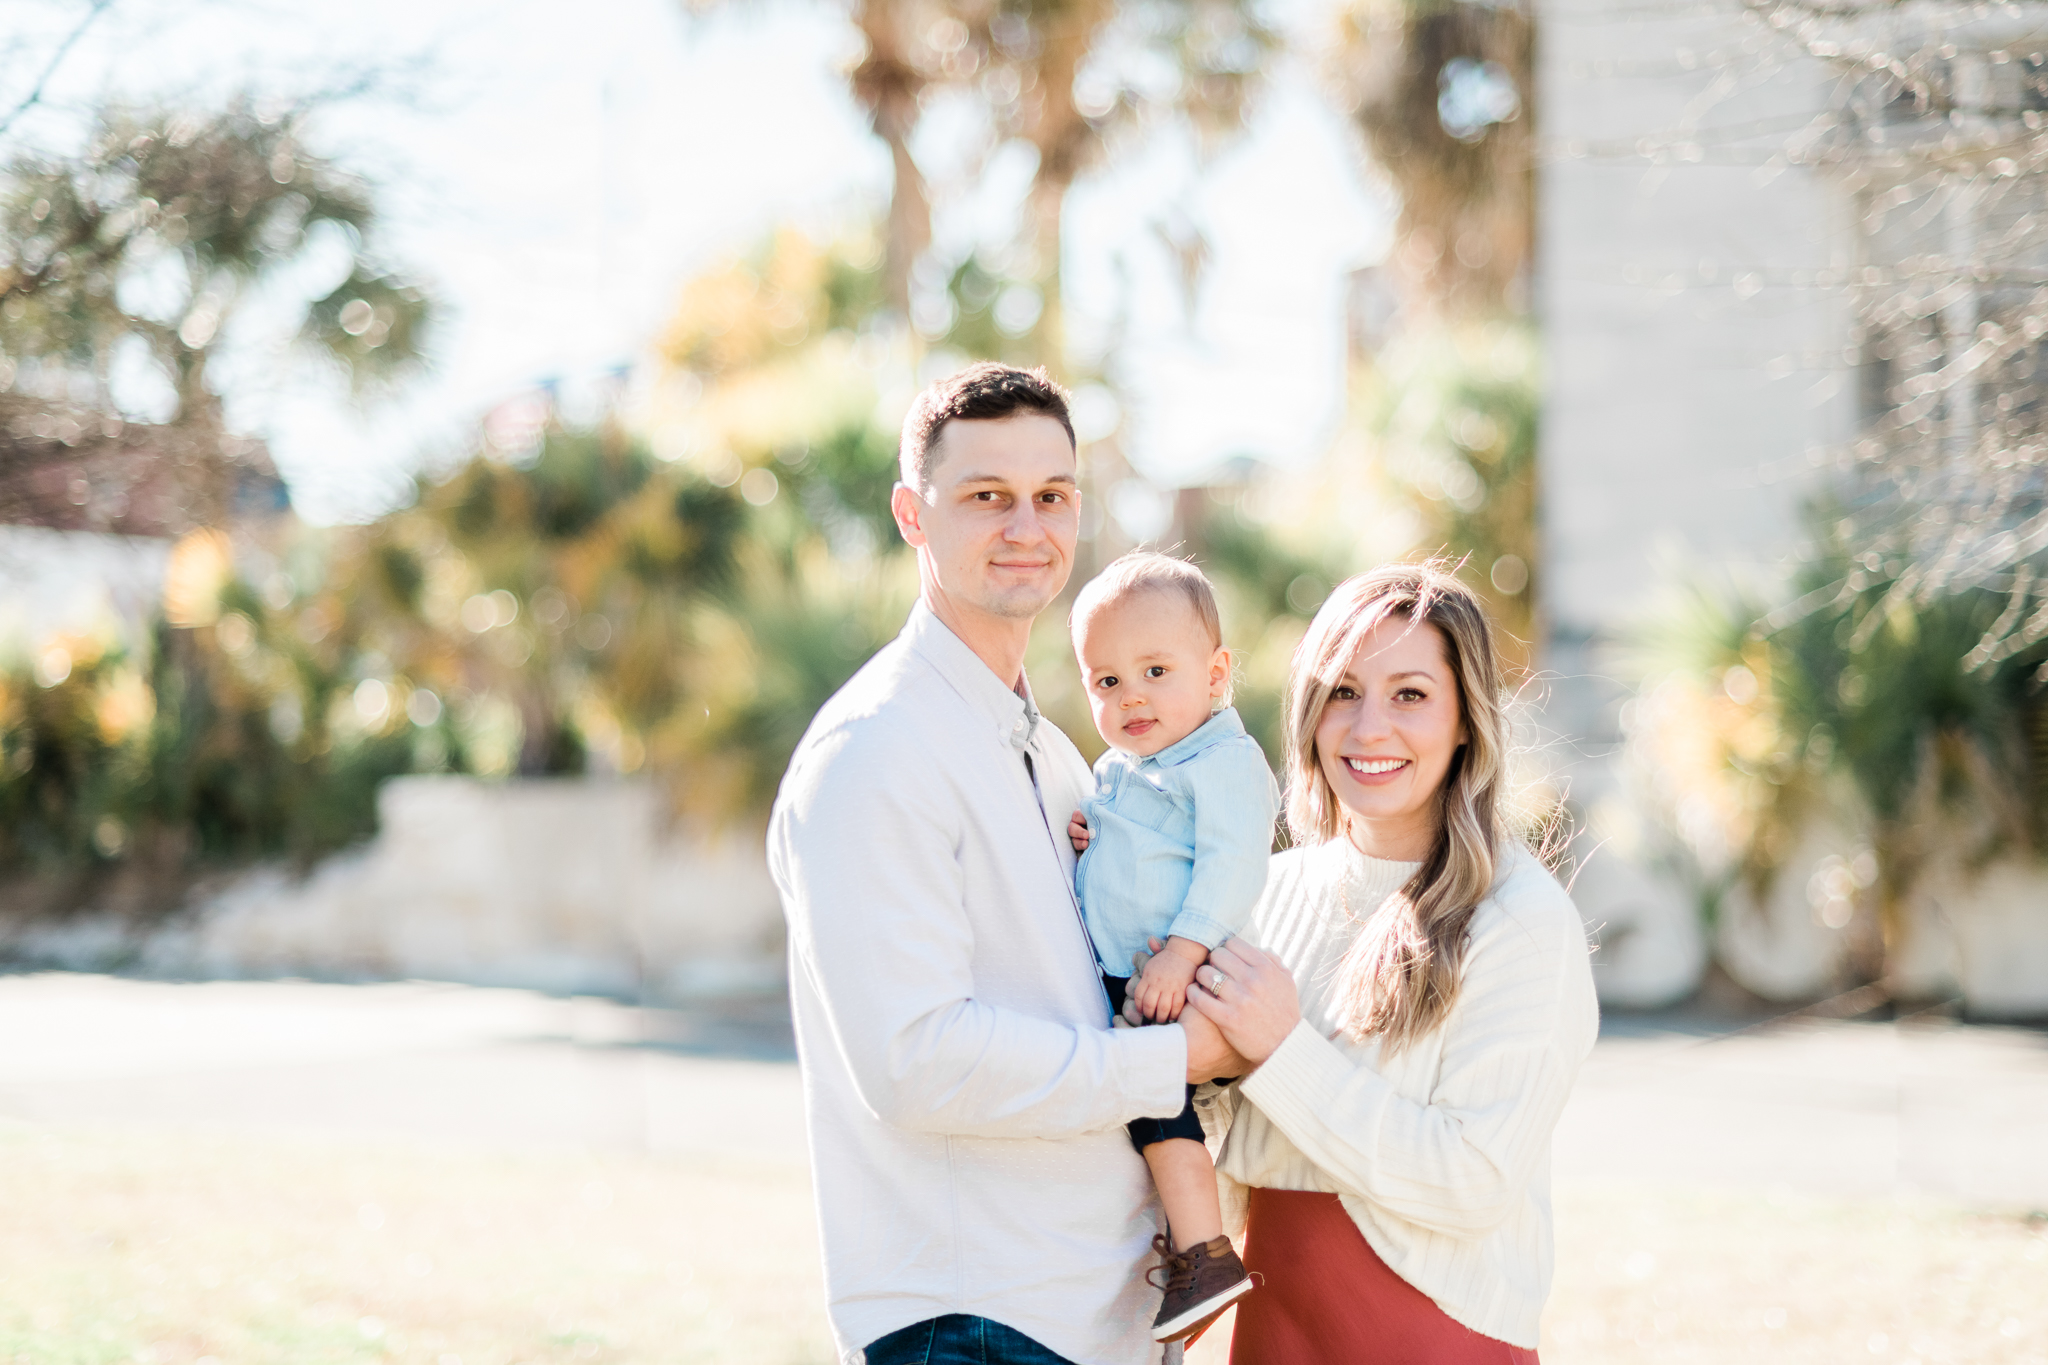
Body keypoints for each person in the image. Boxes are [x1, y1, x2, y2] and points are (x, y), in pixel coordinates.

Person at [767, 363, 1237, 1365]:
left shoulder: (1060, 755)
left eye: (1051, 496)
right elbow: (914, 1061)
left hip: (1085, 1317)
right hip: (974, 1323)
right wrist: (1176, 1059)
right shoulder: (875, 750)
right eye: (986, 497)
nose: (1025, 525)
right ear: (911, 514)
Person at [1180, 562, 1599, 1364]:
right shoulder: (1261, 893)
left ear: (1466, 718)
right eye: (1342, 690)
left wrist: (1280, 1050)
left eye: (1409, 694)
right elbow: (1226, 1155)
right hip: (1275, 1326)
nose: (1369, 727)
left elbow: (1472, 1180)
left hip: (1436, 1336)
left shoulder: (1521, 919)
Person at [1062, 552, 1277, 1343]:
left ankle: (1204, 1252)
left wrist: (1183, 953)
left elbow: (1233, 863)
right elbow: (1131, 847)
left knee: (1160, 1108)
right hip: (1140, 978)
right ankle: (1194, 1253)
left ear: (1216, 673)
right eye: (1107, 681)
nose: (1132, 696)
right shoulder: (1122, 769)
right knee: (1152, 1113)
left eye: (1156, 669)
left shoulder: (1221, 761)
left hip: (1185, 974)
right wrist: (1092, 830)